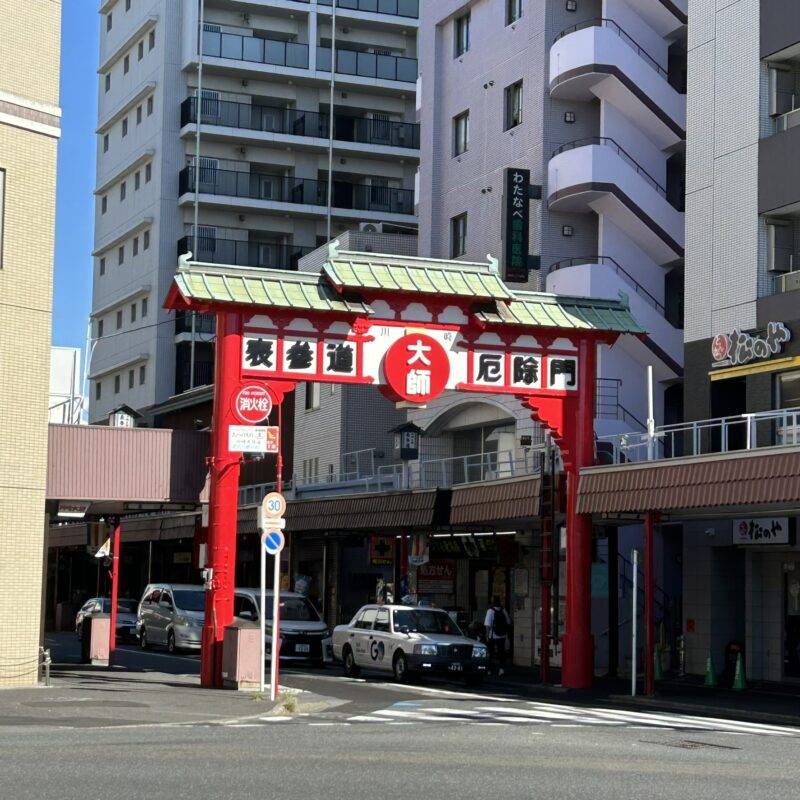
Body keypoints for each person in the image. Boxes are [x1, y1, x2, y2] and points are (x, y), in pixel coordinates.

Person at [484, 596, 511, 676]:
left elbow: (488, 625)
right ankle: (501, 669)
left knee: (490, 652)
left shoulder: (490, 611)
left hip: (493, 635)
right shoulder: (503, 610)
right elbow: (509, 622)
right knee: (501, 653)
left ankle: (489, 669)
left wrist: (487, 635)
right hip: (502, 635)